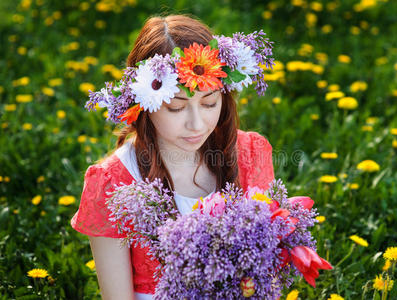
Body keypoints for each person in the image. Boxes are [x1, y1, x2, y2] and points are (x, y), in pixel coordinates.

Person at [70, 14, 275, 299]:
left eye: (209, 102)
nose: (197, 124)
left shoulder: (250, 154)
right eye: (176, 108)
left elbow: (268, 273)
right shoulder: (113, 182)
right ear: (145, 102)